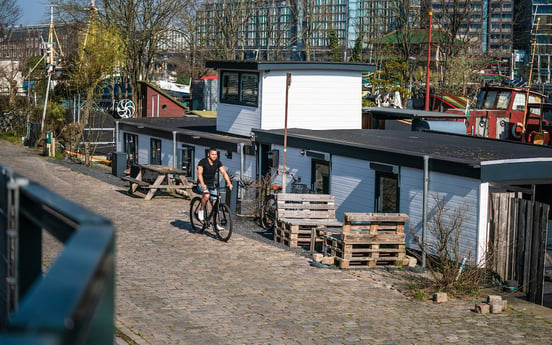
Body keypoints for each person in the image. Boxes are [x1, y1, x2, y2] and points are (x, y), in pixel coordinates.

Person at [196, 148, 233, 228]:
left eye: (215, 154)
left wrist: (229, 183)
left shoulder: (217, 162)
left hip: (211, 185)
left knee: (215, 205)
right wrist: (202, 184)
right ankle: (201, 210)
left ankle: (215, 224)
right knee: (206, 195)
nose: (214, 156)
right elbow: (199, 174)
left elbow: (224, 173)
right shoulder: (203, 162)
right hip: (202, 184)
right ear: (208, 154)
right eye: (212, 154)